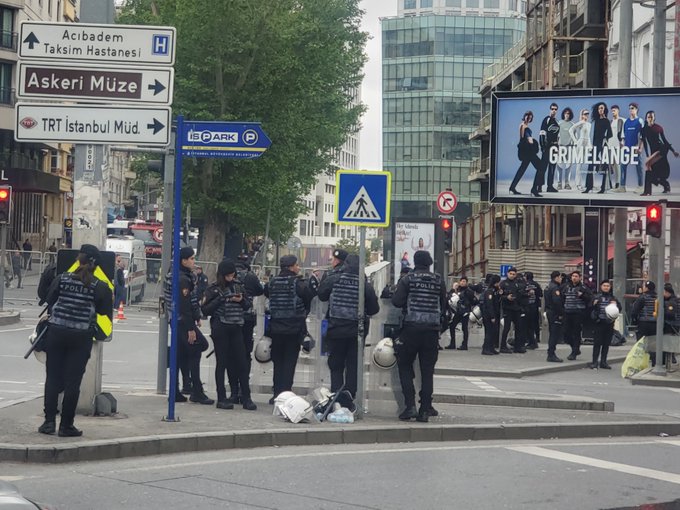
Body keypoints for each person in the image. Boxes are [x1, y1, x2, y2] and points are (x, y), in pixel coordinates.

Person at [39, 244, 113, 437]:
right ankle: (66, 426)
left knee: (53, 379)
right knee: (73, 382)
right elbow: (105, 311)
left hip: (57, 333)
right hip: (81, 337)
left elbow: (50, 299)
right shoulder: (99, 286)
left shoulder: (62, 279)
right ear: (96, 265)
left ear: (78, 260)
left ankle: (48, 423)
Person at [391, 250, 447, 423]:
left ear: (415, 262)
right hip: (431, 331)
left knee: (405, 365)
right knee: (427, 371)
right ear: (429, 262)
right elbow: (443, 305)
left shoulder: (408, 279)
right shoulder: (439, 280)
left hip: (411, 329)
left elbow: (397, 301)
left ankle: (410, 406)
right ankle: (424, 410)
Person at [317, 254, 379, 398]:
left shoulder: (334, 279)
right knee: (353, 366)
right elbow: (374, 309)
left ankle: (336, 397)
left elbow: (321, 295)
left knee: (336, 365)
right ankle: (350, 396)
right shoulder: (364, 285)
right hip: (356, 332)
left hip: (336, 329)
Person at [201, 259, 257, 411]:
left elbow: (248, 305)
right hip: (221, 328)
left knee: (242, 363)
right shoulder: (213, 288)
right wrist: (222, 298)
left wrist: (241, 300)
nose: (231, 277)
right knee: (222, 363)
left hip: (236, 327)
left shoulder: (239, 285)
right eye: (228, 275)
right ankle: (222, 398)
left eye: (233, 275)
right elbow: (205, 310)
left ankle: (247, 397)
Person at [164, 246, 214, 405]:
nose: (194, 261)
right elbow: (183, 304)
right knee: (199, 346)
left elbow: (190, 301)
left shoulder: (176, 274)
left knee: (180, 354)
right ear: (183, 261)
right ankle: (196, 390)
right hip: (182, 321)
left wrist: (196, 316)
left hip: (178, 320)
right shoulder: (182, 278)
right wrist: (191, 328)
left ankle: (177, 389)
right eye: (191, 258)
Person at [263, 255, 314, 403]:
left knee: (277, 361)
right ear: (291, 267)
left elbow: (267, 294)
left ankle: (276, 393)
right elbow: (308, 298)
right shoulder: (298, 283)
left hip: (276, 329)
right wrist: (303, 314)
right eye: (297, 265)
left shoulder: (272, 283)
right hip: (294, 328)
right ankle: (286, 393)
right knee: (289, 362)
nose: (298, 267)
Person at [231, 253, 264, 403]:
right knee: (245, 354)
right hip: (247, 318)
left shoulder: (230, 274)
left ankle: (233, 390)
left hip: (231, 319)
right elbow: (259, 291)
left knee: (231, 355)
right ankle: (243, 390)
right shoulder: (250, 276)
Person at [640, 110, 678, 196]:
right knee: (652, 170)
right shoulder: (644, 130)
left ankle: (647, 191)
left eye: (652, 117)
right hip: (654, 151)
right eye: (649, 117)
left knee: (647, 163)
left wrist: (673, 151)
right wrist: (647, 155)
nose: (650, 118)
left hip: (661, 149)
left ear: (654, 118)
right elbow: (645, 143)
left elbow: (664, 140)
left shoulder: (658, 128)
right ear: (646, 118)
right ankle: (665, 185)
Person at [509, 111, 544, 197]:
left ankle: (512, 187)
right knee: (541, 167)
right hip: (528, 152)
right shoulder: (523, 126)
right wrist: (532, 142)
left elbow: (523, 138)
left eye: (530, 118)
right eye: (528, 117)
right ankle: (534, 189)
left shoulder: (524, 126)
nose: (529, 119)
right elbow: (526, 138)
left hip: (526, 151)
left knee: (522, 169)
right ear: (524, 116)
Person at [589, 280, 621, 369]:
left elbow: (619, 309)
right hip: (599, 323)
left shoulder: (613, 298)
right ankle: (594, 362)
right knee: (597, 343)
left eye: (608, 286)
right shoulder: (596, 297)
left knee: (606, 344)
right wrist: (593, 304)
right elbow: (589, 307)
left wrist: (616, 305)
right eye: (604, 285)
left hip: (609, 323)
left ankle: (603, 362)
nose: (606, 287)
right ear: (601, 286)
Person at [583, 102, 612, 194]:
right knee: (590, 165)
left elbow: (610, 134)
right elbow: (592, 135)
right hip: (595, 145)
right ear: (597, 110)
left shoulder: (606, 121)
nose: (601, 110)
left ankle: (603, 188)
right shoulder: (595, 121)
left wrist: (604, 140)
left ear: (604, 110)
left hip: (603, 145)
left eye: (602, 108)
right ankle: (588, 187)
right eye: (599, 108)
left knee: (604, 166)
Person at [562, 271, 592, 360]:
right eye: (573, 276)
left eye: (576, 276)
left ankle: (574, 351)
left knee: (576, 333)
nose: (574, 278)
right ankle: (575, 348)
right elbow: (562, 298)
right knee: (566, 333)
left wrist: (582, 295)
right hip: (567, 312)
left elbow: (589, 299)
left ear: (580, 278)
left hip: (578, 313)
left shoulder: (583, 288)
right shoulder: (566, 287)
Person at [446, 276, 477, 350]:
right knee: (452, 326)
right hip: (458, 311)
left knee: (464, 328)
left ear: (466, 282)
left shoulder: (469, 291)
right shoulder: (458, 289)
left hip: (465, 312)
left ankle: (464, 345)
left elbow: (473, 301)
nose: (462, 283)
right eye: (461, 281)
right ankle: (452, 344)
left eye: (464, 281)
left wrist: (468, 306)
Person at [500, 267, 526, 353]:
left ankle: (517, 347)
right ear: (507, 274)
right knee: (506, 328)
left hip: (516, 308)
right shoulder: (503, 284)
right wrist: (506, 297)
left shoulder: (517, 283)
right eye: (510, 274)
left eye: (514, 274)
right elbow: (499, 296)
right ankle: (503, 347)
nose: (512, 275)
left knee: (518, 328)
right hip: (507, 308)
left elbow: (520, 295)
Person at [631, 280, 658, 364]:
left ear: (646, 288)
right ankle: (654, 362)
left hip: (643, 323)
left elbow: (635, 311)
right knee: (653, 343)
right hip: (655, 323)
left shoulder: (642, 297)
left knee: (641, 343)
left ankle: (641, 361)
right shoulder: (658, 297)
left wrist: (634, 321)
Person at [620, 102, 644, 192]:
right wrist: (622, 143)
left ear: (637, 109)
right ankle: (622, 187)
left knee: (639, 167)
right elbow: (623, 135)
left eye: (633, 108)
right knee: (623, 166)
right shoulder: (626, 122)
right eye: (630, 108)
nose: (631, 109)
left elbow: (643, 136)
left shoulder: (640, 121)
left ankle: (640, 186)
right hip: (627, 148)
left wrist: (640, 147)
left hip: (635, 149)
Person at [539, 102, 560, 193]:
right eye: (552, 109)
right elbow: (542, 133)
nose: (554, 111)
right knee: (543, 167)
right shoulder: (547, 119)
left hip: (555, 147)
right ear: (550, 109)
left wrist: (558, 147)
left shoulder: (556, 122)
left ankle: (550, 186)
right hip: (547, 146)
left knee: (552, 167)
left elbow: (558, 136)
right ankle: (539, 186)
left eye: (555, 109)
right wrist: (542, 146)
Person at [569, 108, 592, 190]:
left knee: (582, 164)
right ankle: (578, 184)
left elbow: (588, 137)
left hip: (586, 144)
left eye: (587, 113)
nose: (586, 115)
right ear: (582, 115)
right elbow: (571, 130)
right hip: (580, 143)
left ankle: (583, 183)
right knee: (579, 164)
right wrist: (575, 141)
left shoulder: (589, 124)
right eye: (585, 114)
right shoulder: (581, 123)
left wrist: (590, 146)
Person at [544, 271, 564, 362]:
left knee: (552, 332)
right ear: (556, 278)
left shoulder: (548, 286)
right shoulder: (555, 287)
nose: (561, 279)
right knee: (554, 334)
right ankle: (551, 354)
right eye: (560, 277)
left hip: (549, 311)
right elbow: (557, 302)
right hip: (554, 313)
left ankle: (551, 352)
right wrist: (561, 313)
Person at [481, 274, 501, 356]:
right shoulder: (490, 291)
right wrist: (492, 316)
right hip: (489, 315)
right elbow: (490, 305)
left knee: (493, 332)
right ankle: (486, 349)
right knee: (489, 332)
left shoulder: (495, 291)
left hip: (494, 314)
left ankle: (491, 348)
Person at [522, 271, 542, 349]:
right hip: (535, 306)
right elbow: (540, 294)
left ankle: (530, 341)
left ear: (526, 276)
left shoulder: (524, 285)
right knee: (534, 323)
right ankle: (536, 338)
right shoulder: (536, 284)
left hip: (527, 306)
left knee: (527, 325)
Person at [556, 107, 575, 189]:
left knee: (568, 166)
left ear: (570, 115)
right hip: (560, 147)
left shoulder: (573, 125)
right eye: (565, 113)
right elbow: (556, 135)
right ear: (563, 114)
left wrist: (573, 146)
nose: (567, 115)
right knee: (559, 165)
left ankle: (567, 183)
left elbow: (575, 137)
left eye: (568, 113)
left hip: (569, 147)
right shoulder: (559, 123)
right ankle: (559, 183)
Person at [608, 105, 624, 191]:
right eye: (612, 111)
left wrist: (622, 142)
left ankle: (618, 183)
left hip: (617, 145)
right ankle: (610, 182)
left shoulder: (621, 120)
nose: (613, 112)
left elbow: (623, 133)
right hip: (610, 145)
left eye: (614, 110)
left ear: (618, 111)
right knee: (610, 164)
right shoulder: (610, 122)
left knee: (617, 164)